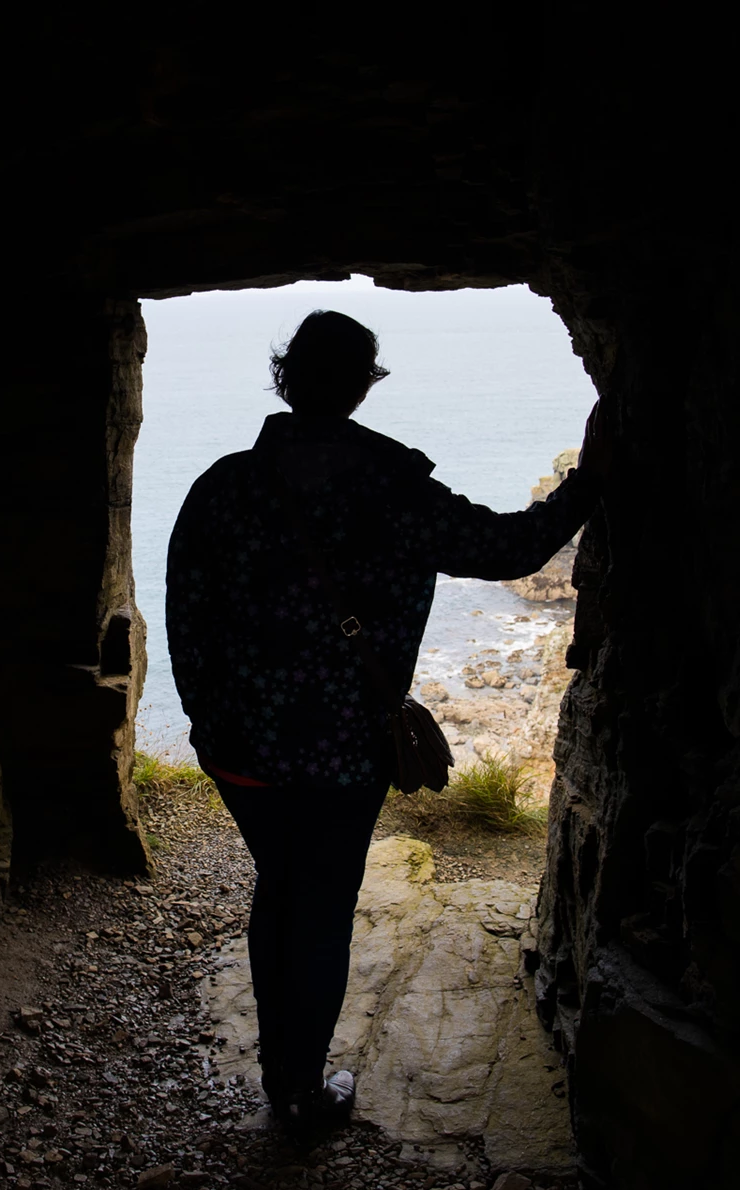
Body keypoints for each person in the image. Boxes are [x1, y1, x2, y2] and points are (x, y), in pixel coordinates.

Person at [166, 308, 611, 1134]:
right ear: (364, 385)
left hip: (243, 752)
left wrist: (207, 724)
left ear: (284, 378)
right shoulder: (392, 485)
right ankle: (299, 1091)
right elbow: (510, 548)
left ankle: (281, 1076)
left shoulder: (221, 486)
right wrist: (589, 480)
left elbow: (186, 622)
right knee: (323, 903)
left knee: (281, 888)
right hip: (344, 751)